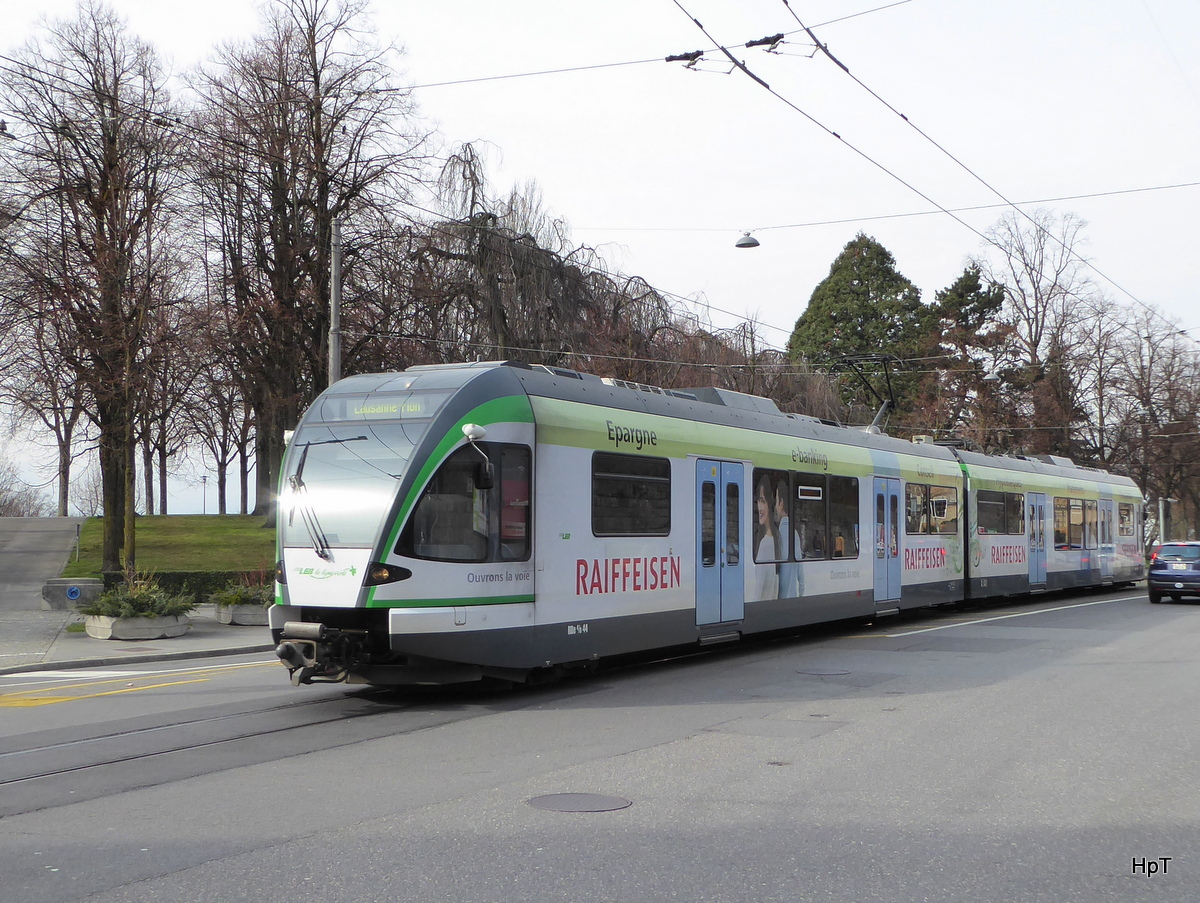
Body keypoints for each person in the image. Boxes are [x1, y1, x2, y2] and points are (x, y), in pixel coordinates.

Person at [775, 481, 803, 598]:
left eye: (776, 502)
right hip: (793, 599)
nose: (775, 507)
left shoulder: (777, 535)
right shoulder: (795, 534)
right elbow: (800, 574)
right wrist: (801, 595)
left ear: (781, 503)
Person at [754, 476, 780, 600]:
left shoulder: (765, 543)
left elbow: (758, 589)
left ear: (770, 504)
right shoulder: (776, 538)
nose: (759, 507)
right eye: (758, 501)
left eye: (763, 501)